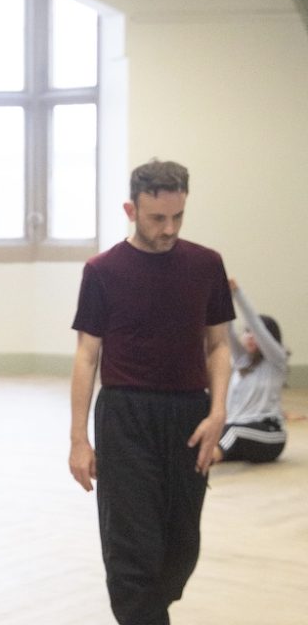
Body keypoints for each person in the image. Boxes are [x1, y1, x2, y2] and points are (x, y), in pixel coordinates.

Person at [69, 159, 234, 625]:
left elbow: (219, 345)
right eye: (157, 218)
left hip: (190, 415)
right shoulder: (102, 270)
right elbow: (86, 355)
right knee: (132, 546)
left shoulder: (207, 264)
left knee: (181, 546)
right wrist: (78, 439)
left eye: (178, 217)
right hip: (125, 414)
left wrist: (218, 412)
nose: (169, 229)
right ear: (131, 209)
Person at [214, 277, 289, 463]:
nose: (250, 336)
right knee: (214, 431)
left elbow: (256, 324)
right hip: (237, 431)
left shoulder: (276, 362)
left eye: (254, 334)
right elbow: (227, 330)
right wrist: (225, 297)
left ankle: (206, 462)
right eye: (247, 332)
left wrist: (238, 294)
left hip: (269, 435)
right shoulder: (241, 361)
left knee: (234, 431)